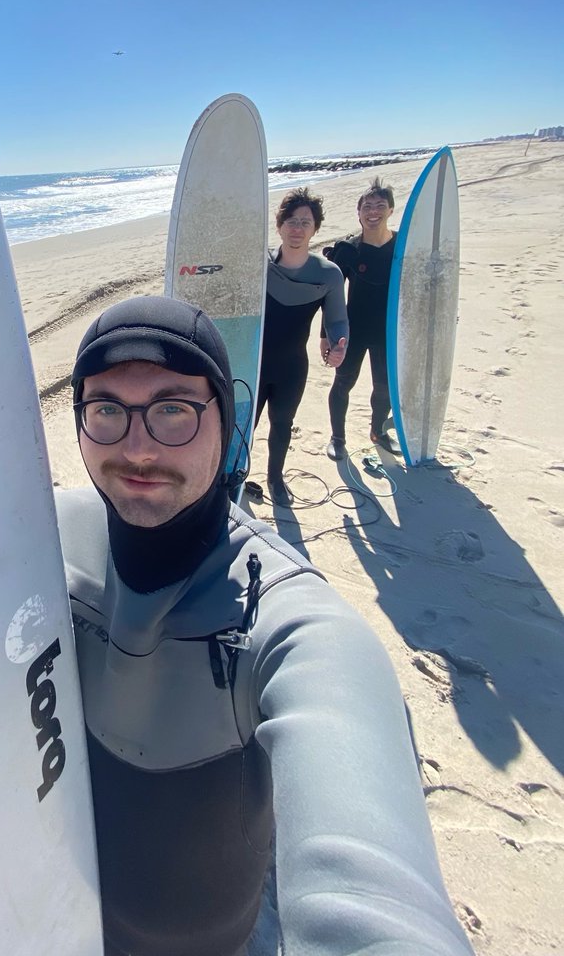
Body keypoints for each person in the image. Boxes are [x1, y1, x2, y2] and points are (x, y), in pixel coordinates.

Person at [56, 294, 471, 956]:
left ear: (228, 421)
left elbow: (372, 907)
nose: (136, 448)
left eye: (172, 409)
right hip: (58, 927)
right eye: (106, 409)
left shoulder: (291, 624)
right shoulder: (44, 539)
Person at [253, 188, 348, 507]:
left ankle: (275, 479)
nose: (297, 229)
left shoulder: (328, 275)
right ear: (278, 226)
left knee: (282, 424)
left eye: (305, 222)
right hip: (251, 364)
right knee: (241, 427)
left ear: (315, 228)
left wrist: (338, 345)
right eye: (291, 221)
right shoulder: (257, 264)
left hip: (291, 366)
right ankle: (232, 478)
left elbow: (337, 321)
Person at [323, 177, 400, 461]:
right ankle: (337, 438)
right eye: (367, 206)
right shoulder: (348, 250)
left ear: (391, 210)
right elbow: (331, 294)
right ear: (359, 213)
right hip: (353, 329)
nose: (373, 211)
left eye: (380, 205)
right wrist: (326, 336)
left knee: (385, 386)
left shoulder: (403, 247)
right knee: (343, 382)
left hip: (388, 332)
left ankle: (379, 432)